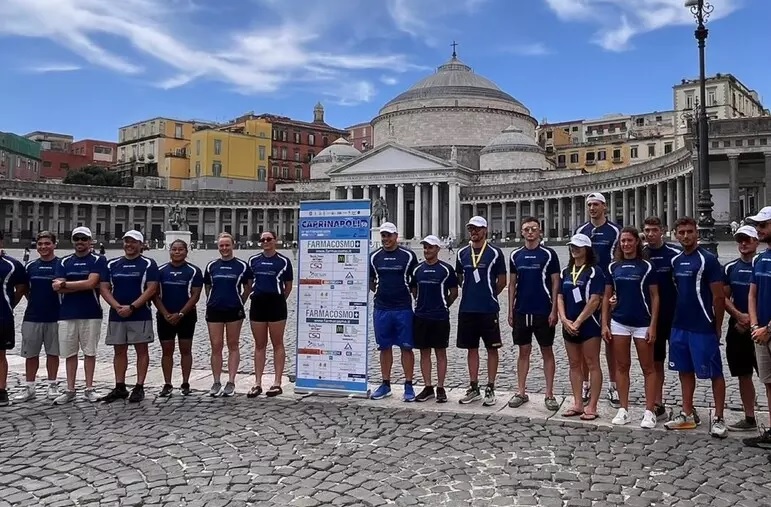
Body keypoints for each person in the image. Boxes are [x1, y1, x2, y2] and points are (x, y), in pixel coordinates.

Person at [664, 217, 727, 438]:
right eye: (681, 232)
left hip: (703, 325)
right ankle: (687, 412)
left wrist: (717, 326)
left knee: (714, 372)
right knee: (684, 370)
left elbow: (719, 297)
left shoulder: (707, 260)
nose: (686, 236)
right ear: (676, 234)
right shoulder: (676, 261)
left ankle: (719, 417)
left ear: (697, 233)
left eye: (690, 231)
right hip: (680, 324)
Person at [602, 227, 659, 428]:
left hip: (642, 322)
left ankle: (649, 411)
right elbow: (607, 297)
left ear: (637, 242)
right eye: (622, 241)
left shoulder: (647, 267)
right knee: (622, 366)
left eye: (629, 240)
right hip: (619, 322)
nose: (626, 244)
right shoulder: (612, 267)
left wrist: (653, 325)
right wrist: (605, 324)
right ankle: (623, 409)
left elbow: (655, 297)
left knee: (648, 368)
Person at [507, 217, 561, 411]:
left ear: (540, 232)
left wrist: (554, 309)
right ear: (522, 232)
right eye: (527, 229)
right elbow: (512, 284)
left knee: (547, 350)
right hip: (522, 309)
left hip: (543, 310)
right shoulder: (515, 255)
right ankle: (521, 391)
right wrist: (510, 310)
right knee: (523, 351)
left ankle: (549, 393)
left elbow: (556, 283)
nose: (530, 232)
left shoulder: (549, 254)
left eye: (534, 229)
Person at [99, 230, 159, 403]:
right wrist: (117, 306)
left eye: (133, 242)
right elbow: (104, 287)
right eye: (127, 241)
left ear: (141, 245)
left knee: (142, 350)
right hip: (117, 314)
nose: (129, 245)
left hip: (140, 313)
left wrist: (133, 306)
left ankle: (139, 387)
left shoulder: (148, 264)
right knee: (119, 350)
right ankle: (120, 386)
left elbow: (152, 288)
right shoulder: (112, 264)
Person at [575, 192, 621, 408]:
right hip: (585, 293)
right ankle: (585, 384)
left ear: (605, 206)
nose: (592, 208)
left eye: (596, 205)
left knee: (610, 341)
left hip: (606, 290)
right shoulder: (581, 231)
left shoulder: (615, 231)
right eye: (589, 205)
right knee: (585, 343)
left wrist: (616, 291)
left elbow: (618, 262)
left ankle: (613, 385)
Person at [455, 216, 507, 406]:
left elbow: (502, 281)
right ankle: (474, 386)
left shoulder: (495, 253)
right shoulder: (462, 253)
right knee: (472, 349)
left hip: (488, 308)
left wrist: (488, 294)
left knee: (492, 348)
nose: (473, 232)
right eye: (471, 229)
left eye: (477, 229)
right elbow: (460, 278)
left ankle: (491, 387)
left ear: (485, 230)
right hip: (467, 308)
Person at [52, 226, 107, 404]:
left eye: (84, 239)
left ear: (90, 241)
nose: (80, 242)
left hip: (91, 312)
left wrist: (66, 285)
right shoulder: (63, 261)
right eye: (77, 239)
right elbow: (55, 286)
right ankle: (70, 389)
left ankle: (89, 388)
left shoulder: (99, 259)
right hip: (66, 313)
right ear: (73, 241)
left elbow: (91, 284)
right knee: (70, 353)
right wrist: (77, 284)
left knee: (90, 352)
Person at [369, 222, 419, 401]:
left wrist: (414, 300)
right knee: (384, 347)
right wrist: (380, 292)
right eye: (383, 235)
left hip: (403, 308)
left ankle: (408, 384)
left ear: (396, 236)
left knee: (406, 347)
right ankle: (385, 383)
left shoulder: (408, 256)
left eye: (389, 235)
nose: (385, 239)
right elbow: (370, 280)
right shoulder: (374, 257)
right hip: (381, 308)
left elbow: (414, 282)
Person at [558, 233, 604, 421]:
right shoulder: (565, 272)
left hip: (589, 325)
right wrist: (564, 319)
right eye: (572, 246)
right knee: (574, 364)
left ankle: (592, 405)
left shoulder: (594, 272)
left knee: (592, 364)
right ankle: (577, 402)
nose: (574, 249)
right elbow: (560, 296)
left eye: (578, 246)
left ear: (587, 249)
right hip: (569, 324)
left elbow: (595, 300)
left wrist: (578, 321)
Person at [642, 216, 682, 421]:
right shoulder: (641, 255)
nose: (650, 234)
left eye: (654, 230)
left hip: (675, 316)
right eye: (647, 230)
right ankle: (658, 402)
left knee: (684, 363)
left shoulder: (675, 254)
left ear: (663, 231)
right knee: (655, 361)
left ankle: (687, 407)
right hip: (651, 318)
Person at [204, 233, 253, 397]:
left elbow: (248, 287)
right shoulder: (211, 266)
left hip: (234, 309)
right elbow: (208, 287)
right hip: (215, 309)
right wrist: (212, 300)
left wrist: (241, 301)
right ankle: (216, 381)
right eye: (221, 245)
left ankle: (231, 381)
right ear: (218, 247)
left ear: (233, 245)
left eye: (227, 245)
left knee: (233, 344)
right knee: (216, 346)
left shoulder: (242, 266)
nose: (224, 248)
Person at [410, 235, 458, 403]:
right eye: (425, 247)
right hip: (421, 316)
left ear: (437, 249)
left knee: (440, 353)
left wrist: (444, 306)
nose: (427, 250)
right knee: (424, 353)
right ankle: (428, 386)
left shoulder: (446, 269)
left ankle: (441, 386)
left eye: (430, 247)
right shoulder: (417, 269)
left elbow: (454, 292)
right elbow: (414, 289)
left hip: (439, 317)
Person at [15, 231, 61, 402]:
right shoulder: (30, 266)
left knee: (53, 353)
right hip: (32, 316)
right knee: (30, 354)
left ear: (54, 245)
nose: (43, 247)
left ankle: (52, 385)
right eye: (40, 244)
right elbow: (24, 288)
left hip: (55, 316)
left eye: (47, 243)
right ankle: (30, 387)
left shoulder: (60, 265)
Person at [154, 239, 203, 397]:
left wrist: (181, 313)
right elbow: (154, 294)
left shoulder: (194, 271)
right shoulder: (160, 271)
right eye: (174, 249)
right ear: (170, 251)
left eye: (180, 249)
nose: (177, 252)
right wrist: (165, 313)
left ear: (186, 251)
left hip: (186, 316)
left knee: (185, 350)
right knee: (166, 351)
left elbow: (195, 295)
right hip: (165, 316)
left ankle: (185, 382)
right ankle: (167, 383)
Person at [247, 230, 293, 398]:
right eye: (263, 239)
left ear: (275, 240)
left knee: (277, 343)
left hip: (276, 304)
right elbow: (249, 283)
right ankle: (257, 382)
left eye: (269, 239)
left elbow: (288, 285)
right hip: (258, 304)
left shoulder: (284, 261)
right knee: (259, 344)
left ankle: (277, 382)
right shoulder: (253, 261)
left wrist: (279, 299)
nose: (266, 241)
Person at [723, 225, 759, 431]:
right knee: (743, 374)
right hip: (738, 327)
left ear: (756, 242)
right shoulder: (730, 268)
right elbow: (723, 297)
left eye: (747, 240)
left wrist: (754, 321)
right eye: (740, 240)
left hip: (761, 327)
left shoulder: (763, 265)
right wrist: (738, 316)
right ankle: (749, 416)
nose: (743, 244)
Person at [744, 206, 771, 449]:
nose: (759, 230)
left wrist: (767, 328)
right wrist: (754, 325)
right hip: (760, 331)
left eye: (763, 226)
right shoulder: (761, 259)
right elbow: (752, 294)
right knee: (769, 382)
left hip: (767, 331)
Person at [0, 231, 28, 407]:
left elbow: (22, 287)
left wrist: (10, 305)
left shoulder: (12, 265)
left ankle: (1, 390)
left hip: (2, 316)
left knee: (0, 355)